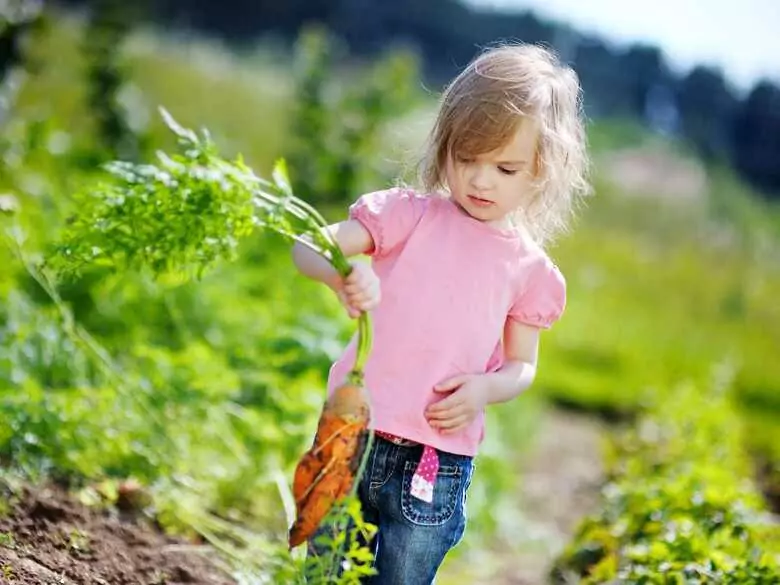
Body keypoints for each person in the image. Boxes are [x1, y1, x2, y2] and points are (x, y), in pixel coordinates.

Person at [292, 42, 590, 584]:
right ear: (444, 144)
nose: (480, 180)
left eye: (504, 167)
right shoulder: (409, 216)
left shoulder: (529, 270)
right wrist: (342, 273)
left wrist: (485, 388)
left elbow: (522, 365)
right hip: (353, 430)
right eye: (466, 158)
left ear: (541, 170)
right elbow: (308, 247)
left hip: (436, 457)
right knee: (326, 573)